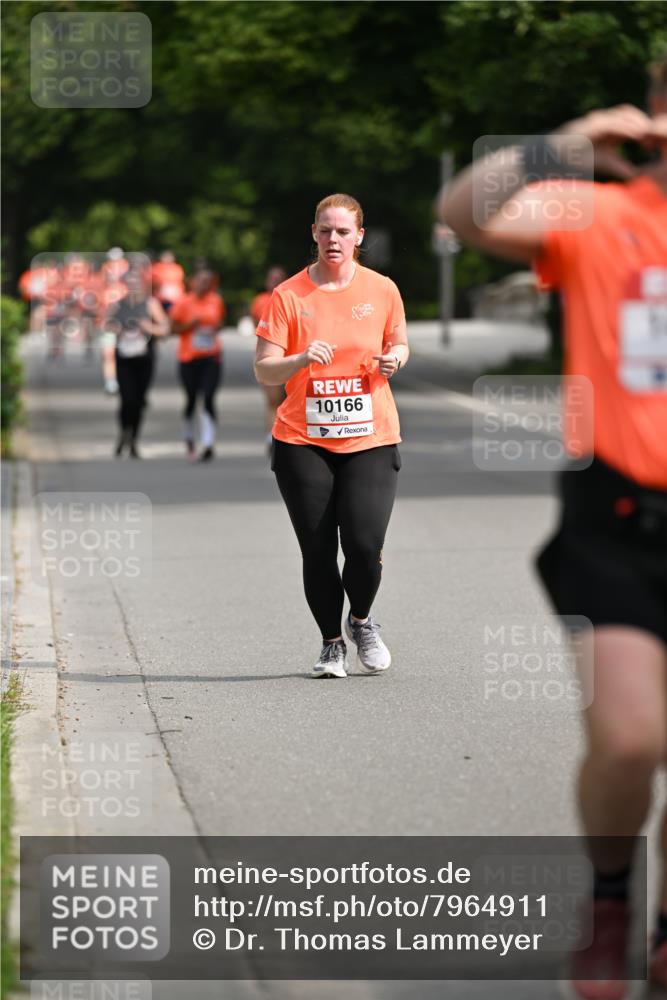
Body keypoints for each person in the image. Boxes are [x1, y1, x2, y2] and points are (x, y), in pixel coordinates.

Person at [439, 59, 667, 1000]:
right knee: (628, 740)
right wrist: (565, 143)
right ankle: (609, 896)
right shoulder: (600, 214)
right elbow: (464, 215)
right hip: (617, 517)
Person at [254, 193, 409, 678]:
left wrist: (395, 360)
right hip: (303, 440)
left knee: (364, 544)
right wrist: (299, 359)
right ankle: (331, 643)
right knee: (317, 549)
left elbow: (399, 342)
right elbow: (263, 369)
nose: (333, 239)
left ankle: (361, 620)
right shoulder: (289, 295)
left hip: (370, 437)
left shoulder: (382, 289)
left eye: (343, 231)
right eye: (325, 230)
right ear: (314, 233)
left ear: (359, 236)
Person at [104, 269, 168, 458]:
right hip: (124, 358)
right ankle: (123, 433)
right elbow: (106, 324)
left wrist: (149, 328)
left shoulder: (150, 304)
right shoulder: (118, 305)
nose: (133, 286)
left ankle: (134, 440)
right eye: (130, 282)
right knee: (126, 399)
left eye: (137, 282)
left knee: (139, 401)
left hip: (144, 359)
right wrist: (114, 328)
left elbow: (165, 329)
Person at [169, 269, 226, 461]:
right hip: (189, 358)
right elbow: (173, 328)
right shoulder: (183, 302)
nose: (204, 284)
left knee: (209, 397)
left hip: (211, 357)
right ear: (192, 282)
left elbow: (220, 322)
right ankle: (189, 436)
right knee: (192, 399)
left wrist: (216, 327)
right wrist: (189, 326)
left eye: (207, 281)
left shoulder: (216, 300)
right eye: (201, 280)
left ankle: (209, 442)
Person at [251, 266, 287, 449]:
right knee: (273, 400)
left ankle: (285, 434)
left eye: (279, 278)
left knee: (288, 400)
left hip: (293, 358)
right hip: (272, 357)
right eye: (272, 278)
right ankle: (270, 437)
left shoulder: (291, 297)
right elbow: (256, 327)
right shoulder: (260, 301)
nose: (275, 282)